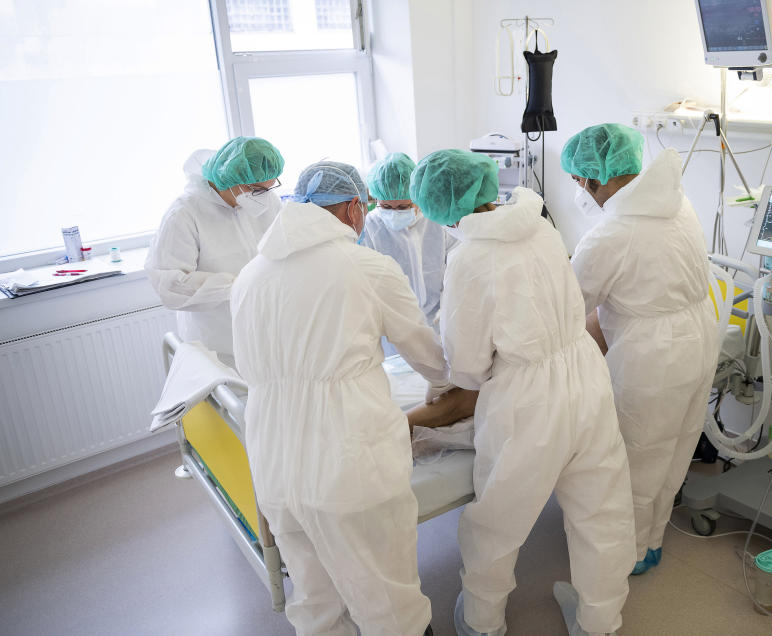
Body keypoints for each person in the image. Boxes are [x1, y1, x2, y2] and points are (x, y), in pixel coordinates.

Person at [411, 149, 636, 636]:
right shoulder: (538, 224)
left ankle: (482, 621)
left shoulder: (469, 258)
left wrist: (453, 372)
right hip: (584, 371)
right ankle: (600, 620)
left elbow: (468, 369)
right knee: (602, 505)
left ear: (442, 209)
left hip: (528, 398)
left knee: (499, 516)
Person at [231, 161, 446, 636]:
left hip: (273, 455)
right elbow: (428, 355)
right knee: (386, 593)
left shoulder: (250, 275)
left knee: (314, 597)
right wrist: (466, 370)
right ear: (353, 208)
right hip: (348, 452)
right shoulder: (366, 267)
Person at [561, 123, 718, 576]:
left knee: (635, 454)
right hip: (698, 334)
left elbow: (569, 308)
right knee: (675, 446)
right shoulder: (675, 202)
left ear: (595, 178)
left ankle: (623, 555)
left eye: (578, 180)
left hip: (652, 354)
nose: (578, 190)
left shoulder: (610, 235)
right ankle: (650, 539)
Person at [146, 136, 284, 367]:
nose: (264, 197)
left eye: (269, 188)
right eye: (258, 190)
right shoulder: (185, 214)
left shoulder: (266, 201)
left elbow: (282, 249)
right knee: (233, 399)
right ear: (230, 181)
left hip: (267, 335)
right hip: (218, 343)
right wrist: (237, 285)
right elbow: (171, 286)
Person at [362, 152, 457, 329]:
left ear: (417, 196)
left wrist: (448, 306)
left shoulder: (436, 219)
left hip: (439, 319)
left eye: (403, 207)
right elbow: (367, 282)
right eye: (387, 207)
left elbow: (456, 266)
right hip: (392, 325)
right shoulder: (371, 226)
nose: (395, 212)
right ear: (376, 200)